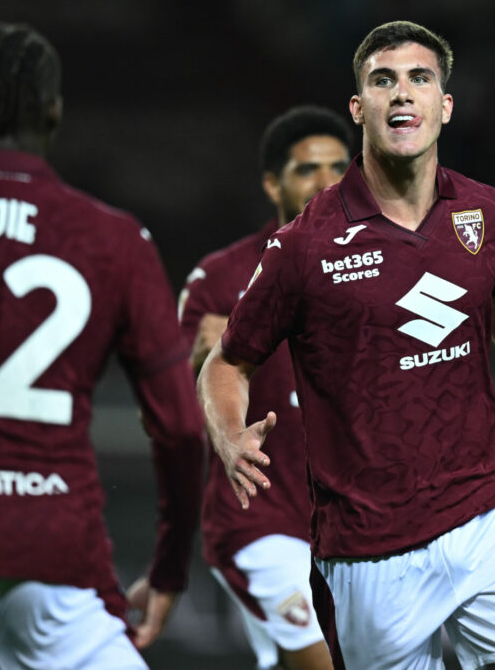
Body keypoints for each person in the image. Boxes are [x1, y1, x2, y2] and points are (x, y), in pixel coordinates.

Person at [199, 20, 495, 670]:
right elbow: (227, 360)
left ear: (445, 104)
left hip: (488, 519)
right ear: (359, 108)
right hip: (369, 553)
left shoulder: (489, 214)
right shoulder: (304, 245)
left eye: (419, 78)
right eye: (384, 80)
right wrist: (228, 433)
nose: (402, 93)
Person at [0, 22, 205, 669]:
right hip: (59, 569)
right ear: (54, 111)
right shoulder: (114, 239)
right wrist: (169, 567)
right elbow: (181, 430)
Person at [180, 105, 352, 670]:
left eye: (338, 167)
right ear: (273, 184)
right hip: (261, 521)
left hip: (354, 523)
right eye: (307, 169)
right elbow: (166, 413)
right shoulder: (220, 278)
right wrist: (201, 364)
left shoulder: (379, 268)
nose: (326, 181)